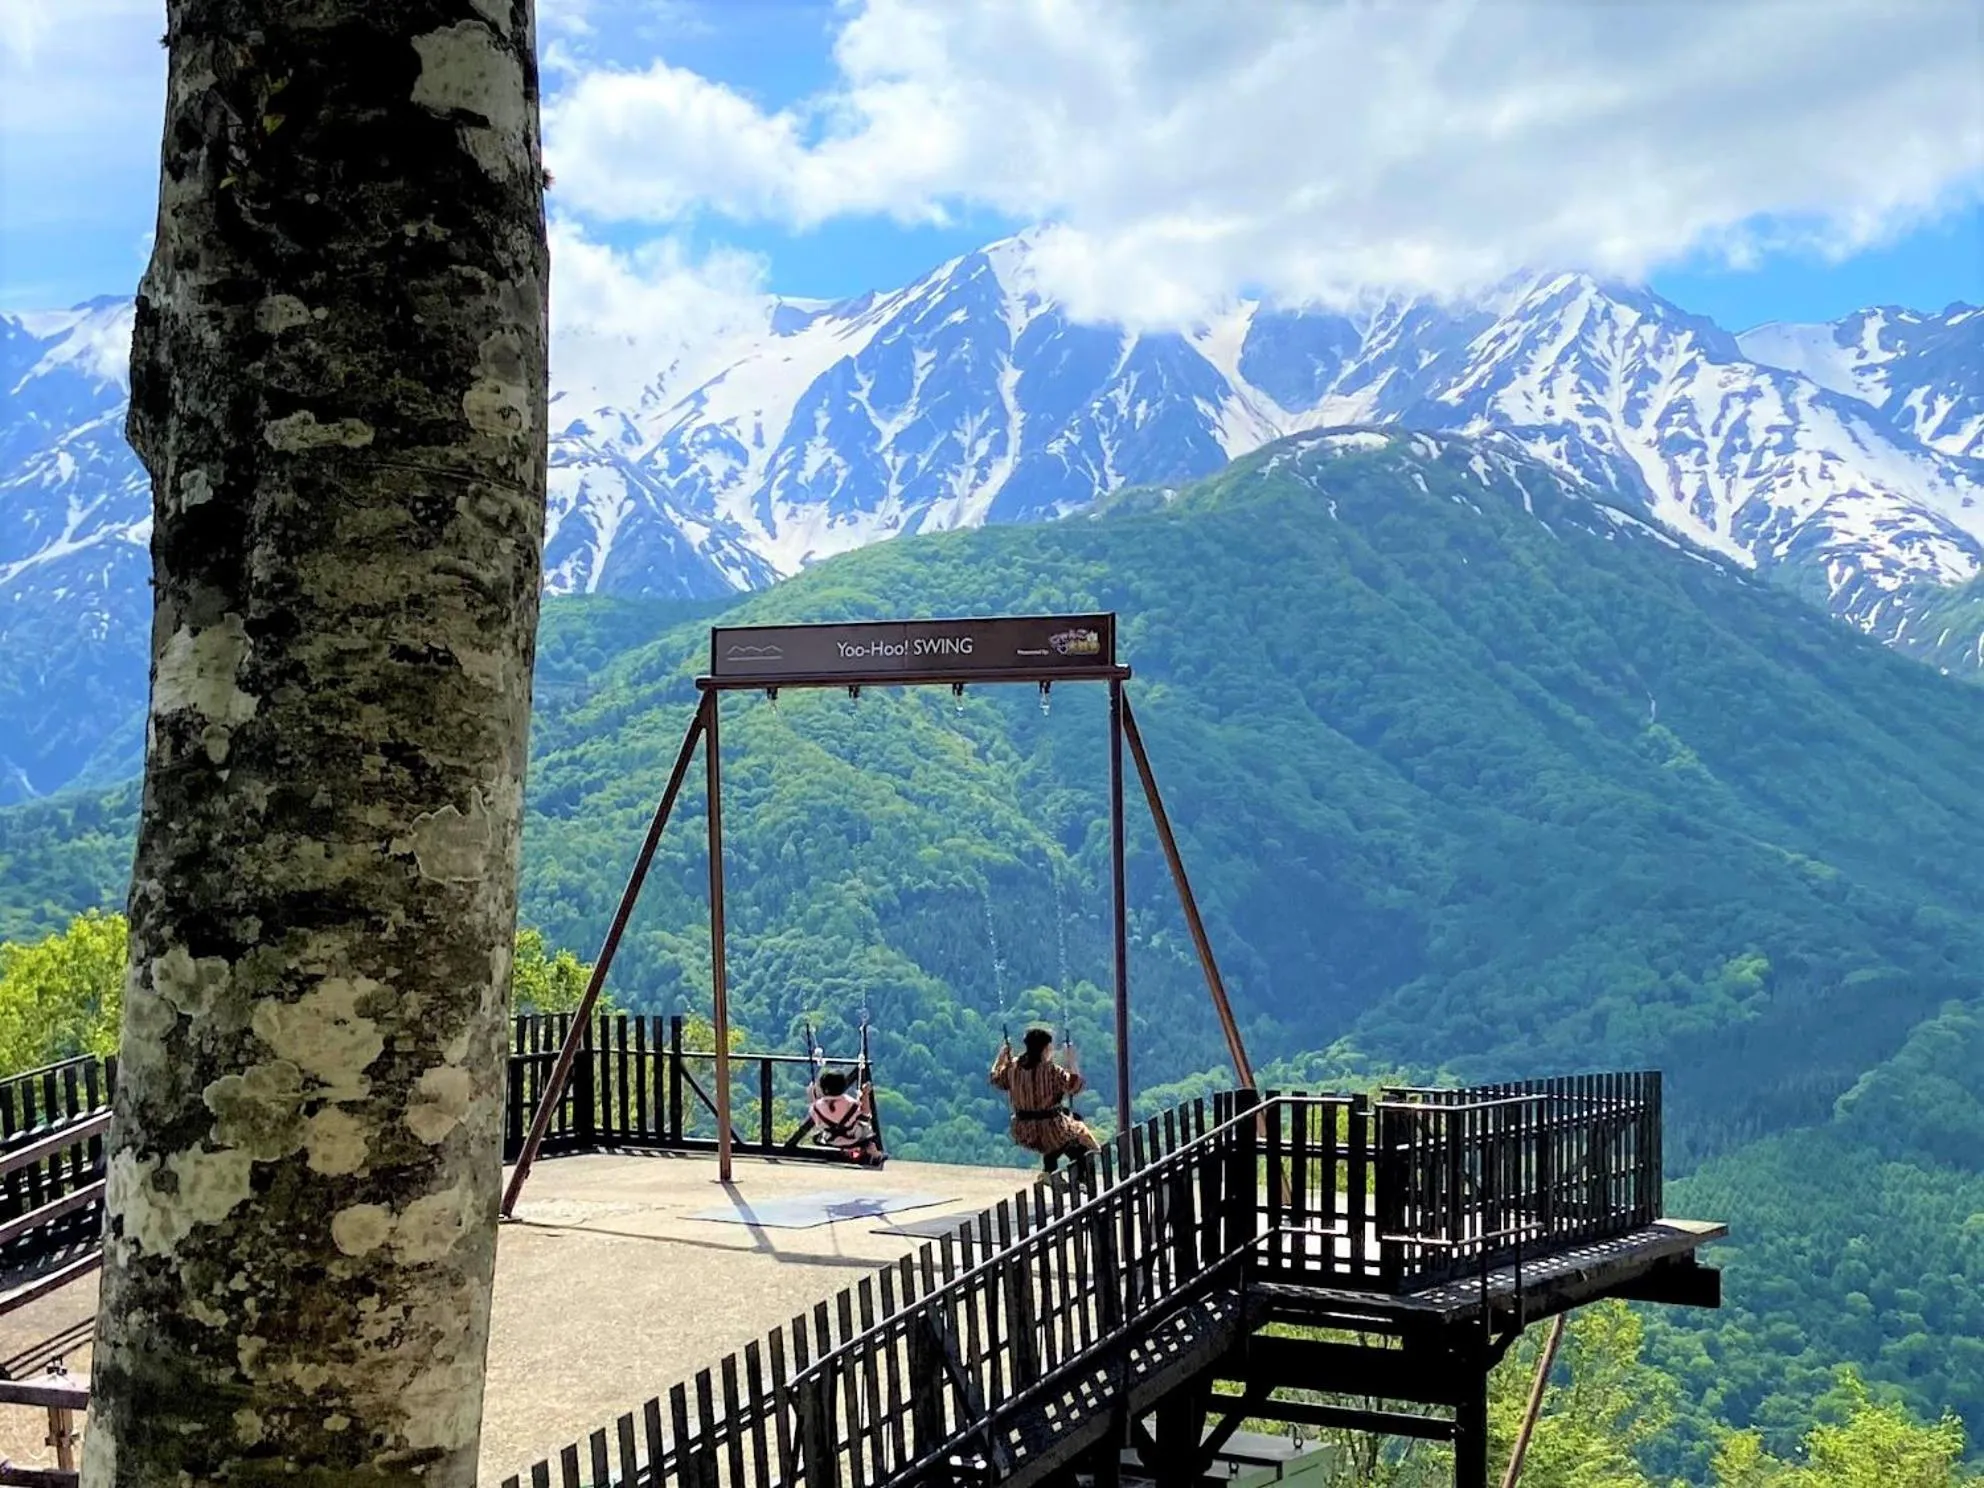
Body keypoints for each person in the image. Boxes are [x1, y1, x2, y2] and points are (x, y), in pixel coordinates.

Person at [989, 1027, 1100, 1172]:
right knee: (1077, 1133)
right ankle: (1076, 1171)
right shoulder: (1051, 1070)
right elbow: (1075, 1087)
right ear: (1046, 1049)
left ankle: (1051, 1169)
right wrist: (1072, 1061)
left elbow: (996, 1079)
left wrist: (1001, 1057)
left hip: (1023, 1130)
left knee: (1066, 1136)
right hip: (1050, 1128)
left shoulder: (1012, 1068)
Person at [806, 1067, 887, 1168]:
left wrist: (812, 1096)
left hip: (830, 1140)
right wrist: (865, 1095)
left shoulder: (817, 1107)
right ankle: (875, 1155)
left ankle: (852, 1152)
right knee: (868, 1137)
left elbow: (817, 1121)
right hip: (854, 1138)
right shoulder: (851, 1103)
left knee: (821, 1133)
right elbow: (865, 1116)